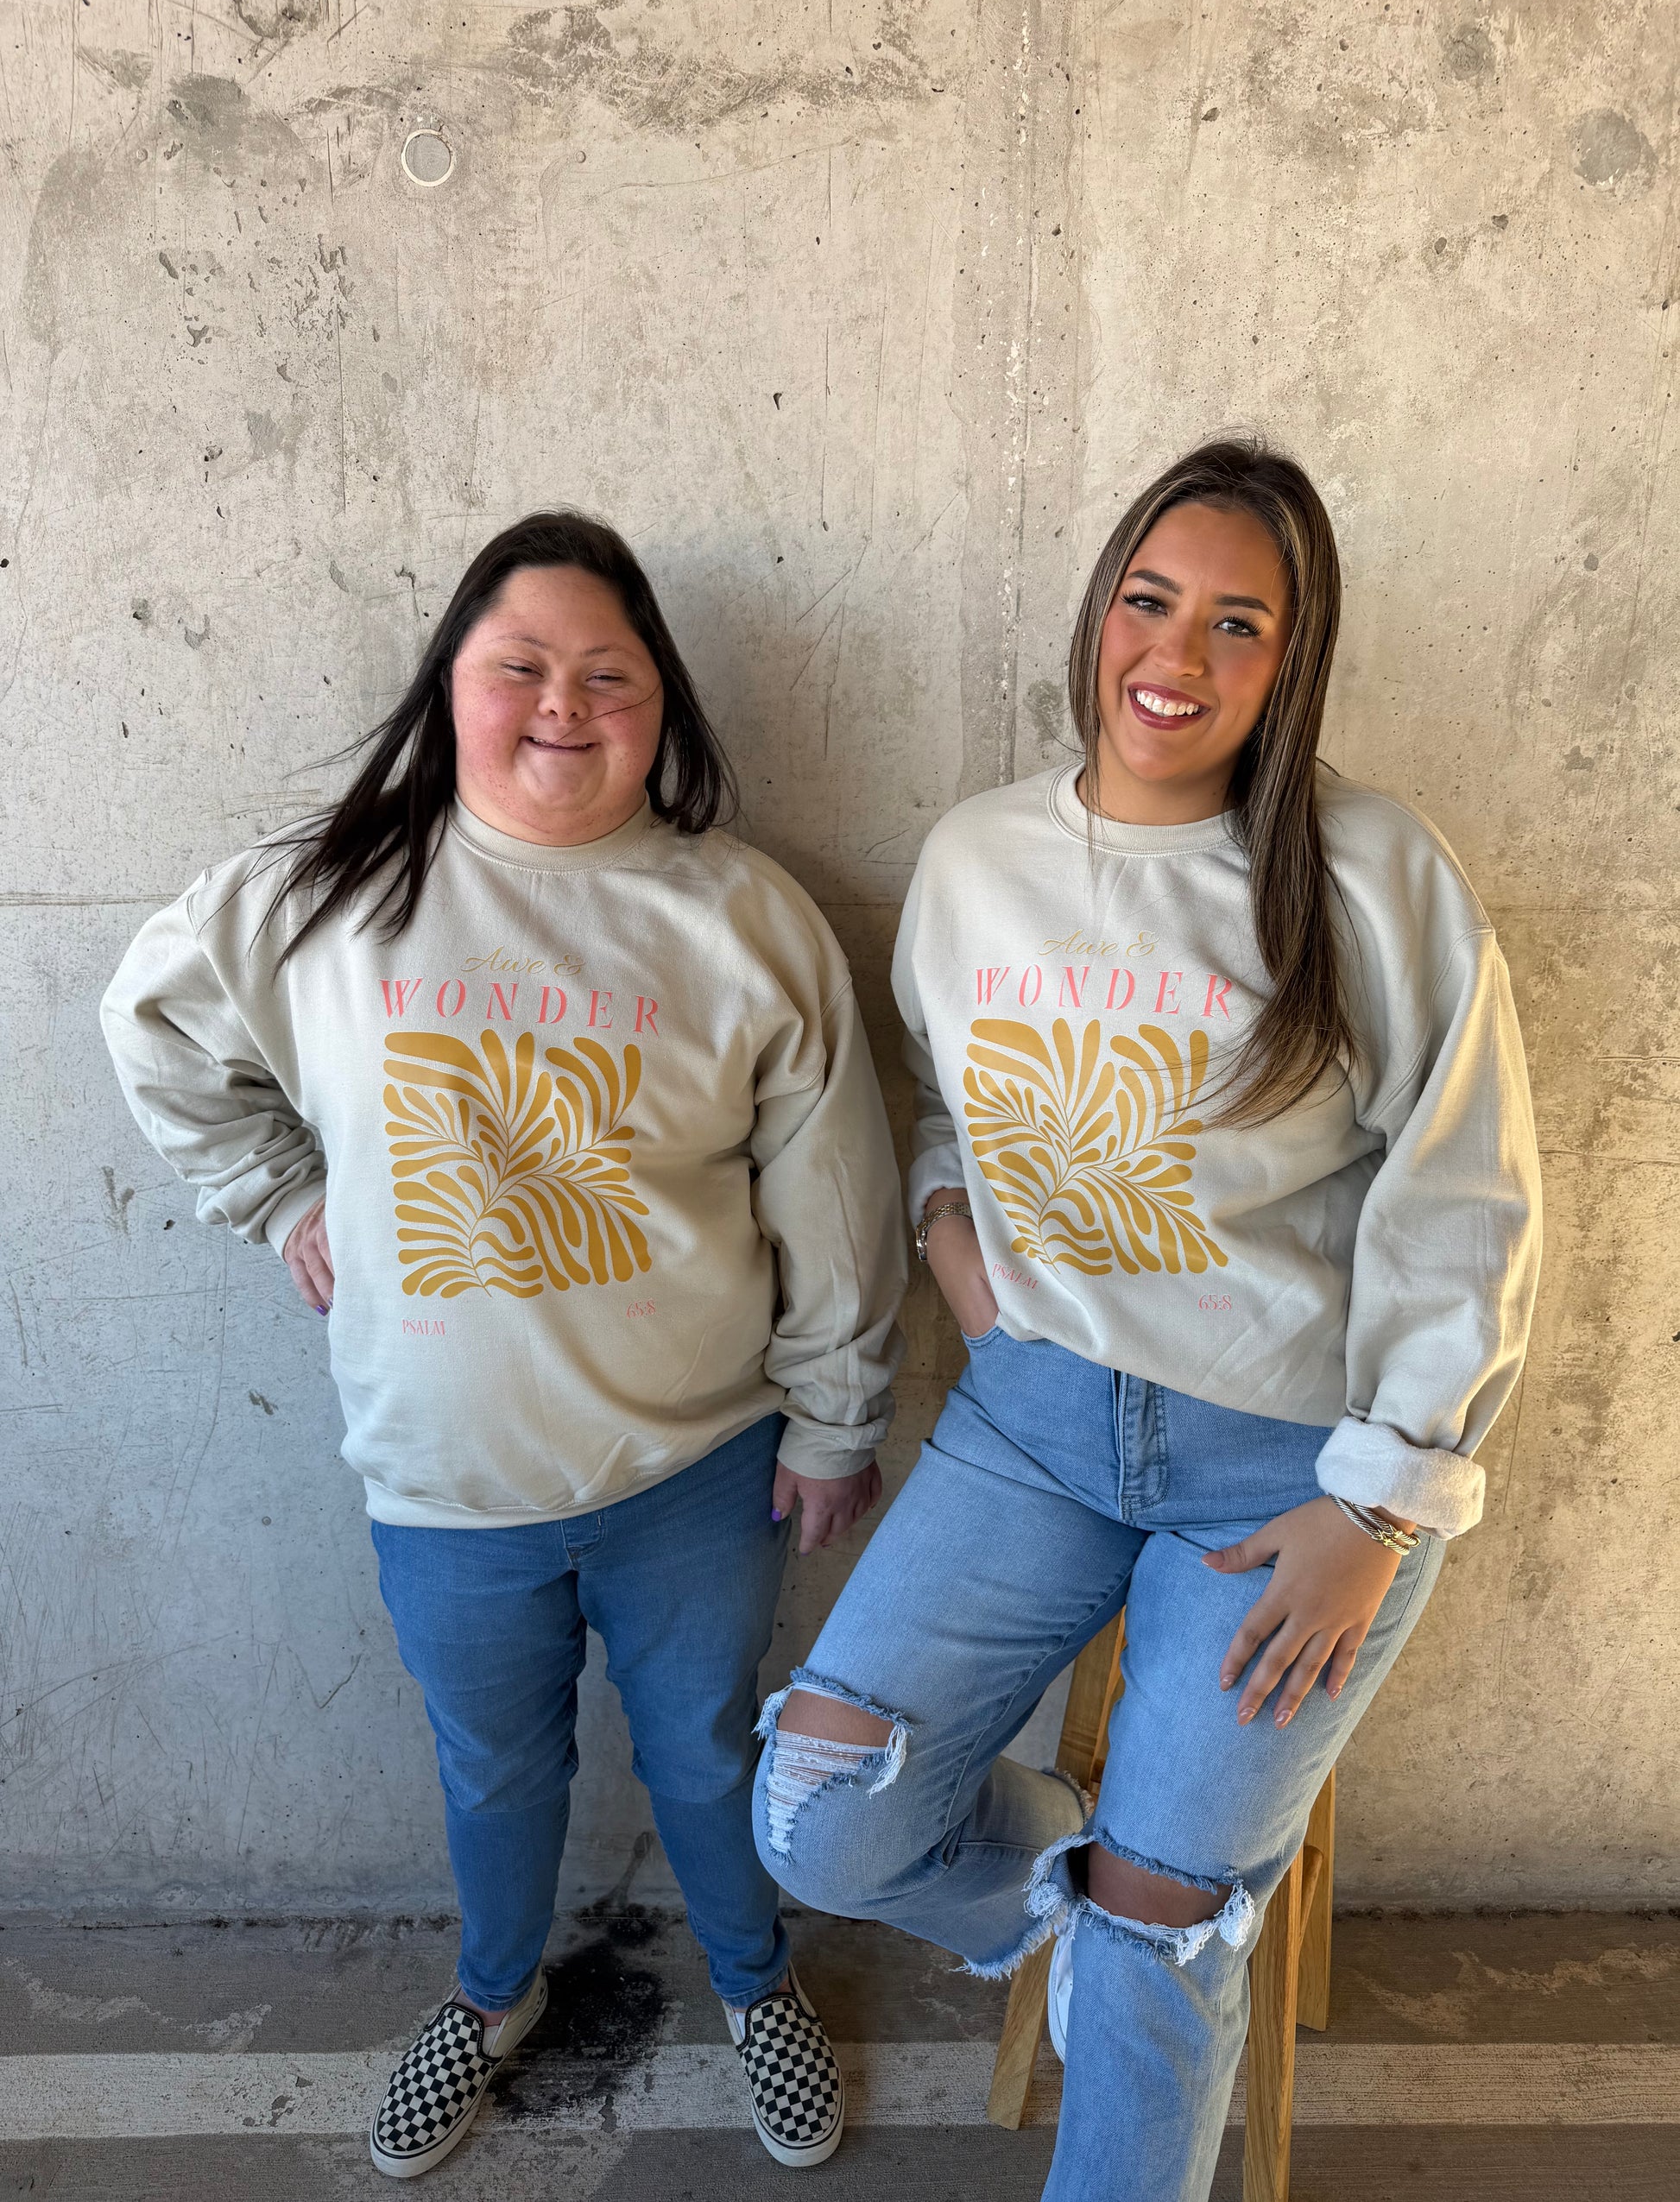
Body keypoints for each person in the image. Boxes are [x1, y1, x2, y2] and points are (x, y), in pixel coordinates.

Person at [751, 440, 1542, 2201]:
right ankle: (1090, 1882)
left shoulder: (1372, 871)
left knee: (1160, 1947)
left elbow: (1466, 1200)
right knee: (820, 1814)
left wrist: (1376, 1507)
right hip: (1032, 1425)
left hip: (1285, 1476)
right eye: (1148, 598)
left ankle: (1143, 1919)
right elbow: (948, 1095)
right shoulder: (978, 857)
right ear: (1099, 612)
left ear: (1290, 658)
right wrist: (951, 1233)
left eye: (1237, 623)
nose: (1175, 653)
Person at [102, 513, 906, 2179]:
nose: (563, 705)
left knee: (708, 1756)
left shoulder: (741, 917)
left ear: (661, 705)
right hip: (444, 1483)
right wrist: (276, 1192)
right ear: (448, 688)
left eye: (609, 675)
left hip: (697, 1466)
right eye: (519, 666)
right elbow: (152, 1021)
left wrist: (838, 1418)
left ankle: (754, 1982)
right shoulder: (327, 896)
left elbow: (833, 1191)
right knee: (490, 1773)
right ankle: (490, 1994)